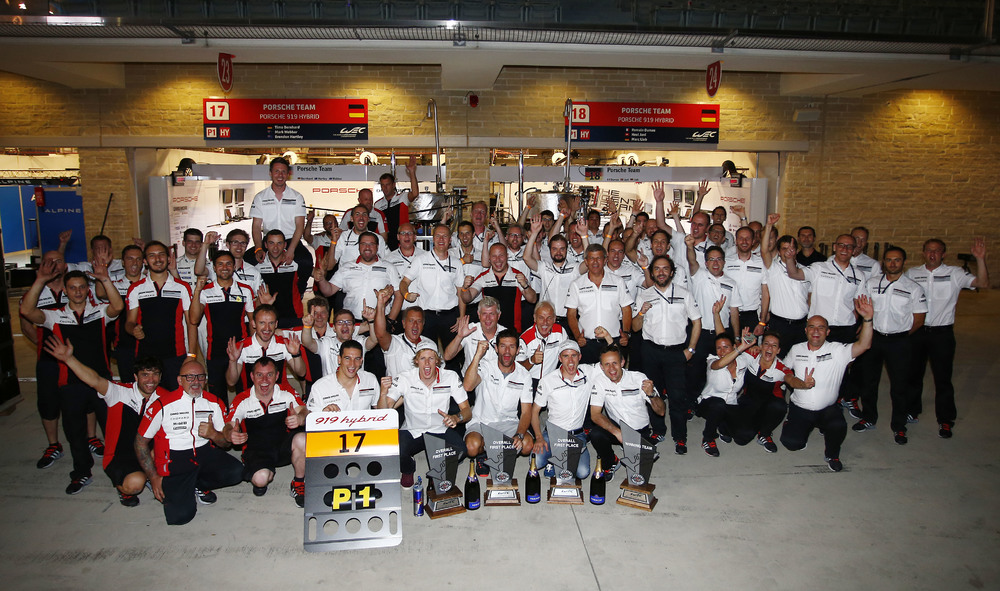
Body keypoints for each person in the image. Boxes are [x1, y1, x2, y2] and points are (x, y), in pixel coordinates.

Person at [21, 263, 123, 494]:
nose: (77, 291)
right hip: (70, 386)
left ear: (87, 289)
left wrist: (104, 279)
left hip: (101, 384)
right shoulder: (54, 316)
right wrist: (40, 280)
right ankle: (81, 472)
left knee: (113, 432)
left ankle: (120, 475)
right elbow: (27, 310)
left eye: (81, 287)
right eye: (73, 287)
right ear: (65, 291)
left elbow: (118, 306)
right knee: (75, 434)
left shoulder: (99, 312)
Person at [45, 335, 166, 506]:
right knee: (134, 484)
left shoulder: (164, 398)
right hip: (120, 456)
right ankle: (126, 486)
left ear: (160, 377)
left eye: (155, 374)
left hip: (148, 453)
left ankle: (148, 473)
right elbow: (94, 379)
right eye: (145, 375)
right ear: (135, 376)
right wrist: (69, 359)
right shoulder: (119, 392)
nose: (150, 380)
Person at [136, 358, 244, 525]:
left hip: (203, 452)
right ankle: (183, 486)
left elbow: (225, 444)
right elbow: (140, 443)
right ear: (180, 380)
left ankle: (198, 484)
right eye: (190, 377)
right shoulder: (162, 405)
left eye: (200, 377)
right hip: (174, 458)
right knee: (180, 517)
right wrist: (154, 477)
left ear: (205, 380)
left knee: (237, 472)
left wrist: (214, 435)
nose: (196, 382)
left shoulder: (214, 402)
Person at [779, 296, 874, 472]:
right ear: (806, 330)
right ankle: (794, 423)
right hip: (800, 407)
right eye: (812, 327)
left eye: (821, 327)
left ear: (828, 332)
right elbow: (784, 372)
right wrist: (798, 383)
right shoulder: (796, 349)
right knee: (791, 443)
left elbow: (864, 345)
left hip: (827, 408)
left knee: (838, 426)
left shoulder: (838, 350)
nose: (816, 331)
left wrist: (867, 319)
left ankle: (832, 454)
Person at [906, 237, 989, 438]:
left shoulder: (955, 273)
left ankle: (945, 419)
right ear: (923, 253)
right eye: (929, 250)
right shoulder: (912, 274)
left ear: (943, 254)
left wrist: (980, 259)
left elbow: (983, 283)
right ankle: (911, 410)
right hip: (917, 332)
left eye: (937, 251)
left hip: (942, 334)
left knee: (943, 378)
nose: (932, 254)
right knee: (913, 375)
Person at [853, 247, 927, 444]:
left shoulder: (913, 288)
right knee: (869, 381)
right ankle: (869, 418)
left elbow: (919, 319)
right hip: (874, 338)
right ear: (883, 262)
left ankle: (899, 426)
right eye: (889, 260)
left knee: (899, 385)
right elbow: (861, 306)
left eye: (897, 260)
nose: (892, 263)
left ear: (904, 262)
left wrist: (900, 335)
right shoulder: (872, 283)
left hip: (899, 341)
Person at [632, 254, 701, 454]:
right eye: (657, 269)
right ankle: (658, 430)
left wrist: (691, 349)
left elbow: (697, 322)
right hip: (651, 351)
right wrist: (641, 312)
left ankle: (680, 437)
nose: (661, 272)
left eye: (665, 269)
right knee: (652, 393)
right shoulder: (644, 295)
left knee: (678, 397)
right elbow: (635, 327)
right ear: (652, 273)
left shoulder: (684, 294)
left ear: (672, 273)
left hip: (676, 352)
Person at [379, 344, 471, 487]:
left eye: (431, 358)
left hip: (439, 429)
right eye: (422, 358)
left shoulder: (450, 376)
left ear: (437, 361)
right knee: (394, 449)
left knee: (462, 450)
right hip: (412, 429)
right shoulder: (405, 377)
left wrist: (456, 418)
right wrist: (383, 393)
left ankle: (438, 468)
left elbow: (467, 411)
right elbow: (384, 411)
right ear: (416, 361)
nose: (427, 363)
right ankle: (408, 468)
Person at [224, 358, 306, 501]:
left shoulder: (286, 392)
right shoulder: (242, 400)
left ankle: (298, 483)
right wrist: (231, 434)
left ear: (277, 376)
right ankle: (262, 471)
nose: (264, 380)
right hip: (258, 450)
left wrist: (300, 418)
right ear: (252, 376)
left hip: (282, 445)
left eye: (269, 374)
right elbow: (227, 427)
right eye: (259, 375)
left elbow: (305, 411)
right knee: (261, 479)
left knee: (302, 439)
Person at [462, 330, 535, 476]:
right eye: (502, 346)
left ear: (518, 350)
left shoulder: (524, 375)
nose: (507, 351)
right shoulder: (486, 366)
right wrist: (477, 356)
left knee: (527, 445)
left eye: (512, 347)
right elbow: (467, 386)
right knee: (472, 447)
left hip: (508, 423)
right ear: (496, 348)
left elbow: (526, 411)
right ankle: (485, 454)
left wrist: (519, 434)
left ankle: (497, 451)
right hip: (482, 421)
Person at [189, 250, 255, 405]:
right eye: (220, 264)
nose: (224, 267)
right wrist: (197, 290)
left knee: (245, 395)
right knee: (217, 398)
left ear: (234, 266)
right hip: (215, 352)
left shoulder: (245, 290)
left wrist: (253, 349)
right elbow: (193, 319)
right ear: (214, 267)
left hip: (241, 351)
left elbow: (253, 322)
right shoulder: (205, 291)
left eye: (228, 264)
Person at [588, 344, 664, 475]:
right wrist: (617, 432)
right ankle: (611, 462)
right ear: (601, 367)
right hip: (619, 428)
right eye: (607, 364)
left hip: (639, 431)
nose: (611, 369)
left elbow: (661, 411)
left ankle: (638, 447)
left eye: (615, 363)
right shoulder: (599, 381)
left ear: (622, 362)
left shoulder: (638, 378)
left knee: (638, 476)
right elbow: (595, 415)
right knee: (595, 434)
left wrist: (652, 395)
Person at [530, 340, 593, 480]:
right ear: (559, 358)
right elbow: (534, 411)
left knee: (582, 473)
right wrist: (539, 437)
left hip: (577, 435)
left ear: (580, 357)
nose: (570, 361)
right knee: (536, 461)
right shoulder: (548, 380)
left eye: (574, 355)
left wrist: (608, 337)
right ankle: (554, 459)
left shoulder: (588, 372)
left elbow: (612, 364)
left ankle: (558, 459)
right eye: (565, 356)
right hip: (553, 433)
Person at [249, 156, 312, 297]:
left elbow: (300, 226)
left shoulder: (297, 197)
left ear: (288, 174)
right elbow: (256, 226)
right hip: (268, 241)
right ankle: (255, 295)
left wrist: (291, 250)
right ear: (270, 173)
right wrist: (258, 248)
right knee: (247, 261)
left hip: (290, 240)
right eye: (277, 171)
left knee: (306, 262)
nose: (280, 175)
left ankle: (299, 293)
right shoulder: (260, 197)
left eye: (283, 172)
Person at [399, 224, 466, 348]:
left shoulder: (456, 263)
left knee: (453, 353)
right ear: (433, 239)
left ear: (450, 240)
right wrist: (406, 294)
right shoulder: (420, 259)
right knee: (426, 351)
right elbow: (404, 282)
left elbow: (461, 292)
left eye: (444, 236)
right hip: (426, 317)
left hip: (450, 316)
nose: (441, 239)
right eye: (438, 236)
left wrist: (461, 317)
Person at [565, 244, 633, 364]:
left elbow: (626, 309)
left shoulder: (618, 281)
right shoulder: (576, 284)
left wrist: (626, 333)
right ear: (586, 261)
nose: (595, 262)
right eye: (591, 258)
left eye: (599, 258)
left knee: (613, 374)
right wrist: (577, 336)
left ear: (605, 260)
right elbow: (571, 314)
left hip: (613, 341)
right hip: (587, 344)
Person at [315, 231, 400, 324]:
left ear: (377, 247)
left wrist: (391, 320)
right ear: (359, 246)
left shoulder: (389, 267)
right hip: (351, 324)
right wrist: (321, 279)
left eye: (371, 244)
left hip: (379, 321)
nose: (367, 247)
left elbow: (399, 295)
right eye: (363, 244)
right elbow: (329, 291)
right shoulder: (346, 267)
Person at [696, 328, 755, 457]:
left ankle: (723, 426)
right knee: (718, 404)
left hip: (730, 404)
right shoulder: (712, 360)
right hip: (709, 404)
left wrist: (752, 344)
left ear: (733, 346)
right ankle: (708, 438)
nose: (722, 351)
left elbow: (759, 349)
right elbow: (720, 364)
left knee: (744, 436)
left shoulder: (743, 360)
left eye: (726, 347)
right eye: (719, 348)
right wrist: (741, 348)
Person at [524, 214, 585, 336]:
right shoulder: (543, 267)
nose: (558, 252)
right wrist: (534, 234)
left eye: (562, 249)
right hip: (546, 321)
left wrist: (584, 236)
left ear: (566, 250)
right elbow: (526, 257)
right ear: (550, 250)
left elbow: (588, 262)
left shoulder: (574, 268)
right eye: (554, 249)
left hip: (568, 321)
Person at [760, 214, 810, 357]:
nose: (788, 252)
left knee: (798, 360)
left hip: (801, 325)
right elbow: (764, 251)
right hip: (780, 325)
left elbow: (809, 297)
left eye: (791, 248)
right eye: (784, 249)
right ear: (779, 251)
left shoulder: (805, 271)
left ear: (796, 251)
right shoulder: (773, 268)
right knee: (778, 360)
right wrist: (769, 225)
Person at [225, 304, 306, 391]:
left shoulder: (284, 343)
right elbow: (231, 382)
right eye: (262, 323)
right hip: (250, 395)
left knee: (299, 400)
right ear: (253, 324)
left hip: (280, 394)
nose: (267, 328)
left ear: (276, 324)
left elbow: (301, 373)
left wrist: (296, 355)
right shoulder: (241, 347)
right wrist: (232, 361)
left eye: (271, 323)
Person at [463, 243, 536, 334]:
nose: (498, 260)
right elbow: (467, 298)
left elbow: (533, 299)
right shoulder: (483, 277)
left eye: (501, 255)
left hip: (511, 331)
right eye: (494, 256)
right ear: (489, 258)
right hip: (490, 330)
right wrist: (465, 288)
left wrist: (525, 286)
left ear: (507, 256)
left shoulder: (517, 275)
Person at [737, 332, 791, 454]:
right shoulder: (752, 355)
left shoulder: (781, 368)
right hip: (749, 401)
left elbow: (791, 379)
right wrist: (743, 342)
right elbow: (733, 355)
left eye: (774, 345)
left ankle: (765, 433)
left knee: (780, 407)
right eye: (766, 344)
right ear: (761, 346)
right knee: (741, 439)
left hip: (769, 405)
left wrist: (803, 384)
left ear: (778, 350)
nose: (769, 348)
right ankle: (754, 422)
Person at [443, 297, 506, 398]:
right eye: (484, 314)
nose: (488, 318)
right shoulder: (470, 329)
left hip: (494, 383)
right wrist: (459, 336)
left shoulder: (505, 335)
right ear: (478, 314)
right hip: (469, 381)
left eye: (492, 314)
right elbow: (447, 356)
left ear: (498, 315)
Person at [373, 288, 438, 378]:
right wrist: (380, 304)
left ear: (423, 324)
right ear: (404, 324)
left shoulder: (430, 344)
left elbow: (439, 371)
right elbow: (380, 334)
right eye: (411, 321)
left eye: (419, 321)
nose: (415, 325)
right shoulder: (394, 343)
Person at [109, 244, 146, 382]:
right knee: (129, 385)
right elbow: (100, 294)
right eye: (130, 258)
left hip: (148, 344)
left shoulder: (151, 284)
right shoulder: (115, 287)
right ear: (123, 262)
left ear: (143, 262)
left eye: (138, 259)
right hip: (124, 345)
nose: (134, 263)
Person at [724, 226, 770, 337]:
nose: (744, 241)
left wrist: (762, 322)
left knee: (750, 347)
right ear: (736, 241)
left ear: (753, 241)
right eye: (741, 238)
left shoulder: (761, 263)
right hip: (728, 315)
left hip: (751, 317)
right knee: (729, 346)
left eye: (748, 238)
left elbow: (765, 294)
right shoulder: (726, 262)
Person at [255, 229, 305, 330]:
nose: (275, 247)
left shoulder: (296, 263)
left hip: (294, 316)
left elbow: (315, 274)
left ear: (285, 245)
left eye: (279, 243)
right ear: (265, 245)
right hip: (268, 318)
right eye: (271, 243)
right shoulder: (257, 266)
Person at [517, 301, 569, 390]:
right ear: (535, 318)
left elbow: (568, 355)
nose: (545, 322)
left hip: (551, 381)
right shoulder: (525, 338)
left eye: (549, 318)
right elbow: (517, 369)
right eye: (541, 318)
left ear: (554, 319)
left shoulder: (560, 331)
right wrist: (531, 360)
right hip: (530, 382)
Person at [195, 228, 263, 293]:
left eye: (243, 243)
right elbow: (198, 271)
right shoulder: (218, 266)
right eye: (235, 242)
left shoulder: (254, 272)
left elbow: (261, 297)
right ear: (227, 245)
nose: (239, 246)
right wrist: (205, 244)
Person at [375, 156, 419, 250]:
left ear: (393, 185)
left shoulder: (402, 197)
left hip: (402, 242)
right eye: (383, 185)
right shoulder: (377, 205)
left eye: (387, 184)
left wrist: (412, 172)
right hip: (385, 244)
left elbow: (415, 193)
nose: (385, 188)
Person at [326, 205, 390, 267]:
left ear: (368, 219)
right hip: (347, 273)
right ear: (351, 218)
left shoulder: (378, 238)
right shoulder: (343, 237)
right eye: (357, 214)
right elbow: (329, 266)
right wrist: (333, 241)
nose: (361, 218)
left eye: (364, 214)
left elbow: (390, 260)